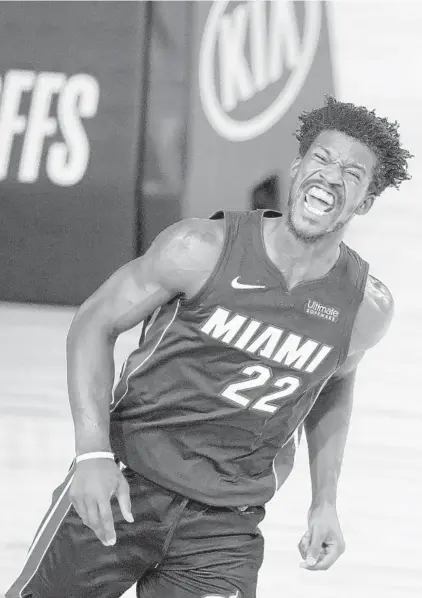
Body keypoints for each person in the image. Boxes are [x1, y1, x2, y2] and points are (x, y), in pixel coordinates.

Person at [7, 96, 412, 598]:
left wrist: (323, 501)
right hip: (124, 484)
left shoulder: (365, 308)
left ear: (366, 202)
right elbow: (94, 321)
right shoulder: (199, 248)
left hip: (225, 525)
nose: (330, 176)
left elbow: (334, 382)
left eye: (352, 173)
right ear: (297, 167)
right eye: (322, 159)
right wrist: (92, 453)